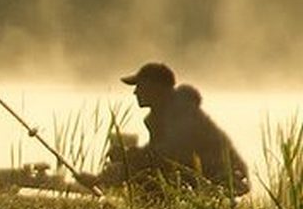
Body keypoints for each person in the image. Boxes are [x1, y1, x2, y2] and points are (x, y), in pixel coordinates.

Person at [80, 62, 248, 196]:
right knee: (142, 171)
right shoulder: (164, 114)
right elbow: (156, 154)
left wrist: (127, 156)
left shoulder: (181, 113)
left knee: (144, 174)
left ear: (155, 87)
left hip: (225, 180)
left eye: (140, 86)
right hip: (201, 177)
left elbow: (168, 156)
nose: (135, 92)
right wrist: (119, 164)